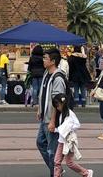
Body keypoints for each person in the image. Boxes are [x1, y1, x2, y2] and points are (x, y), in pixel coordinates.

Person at [36, 47, 66, 177]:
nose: (43, 60)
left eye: (45, 58)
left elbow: (57, 102)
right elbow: (43, 94)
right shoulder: (46, 73)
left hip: (52, 120)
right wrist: (39, 109)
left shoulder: (58, 78)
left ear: (53, 61)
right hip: (44, 117)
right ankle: (57, 171)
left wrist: (53, 121)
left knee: (51, 151)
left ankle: (55, 173)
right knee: (41, 143)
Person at [51, 93, 93, 177]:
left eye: (57, 105)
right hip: (61, 141)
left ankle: (86, 173)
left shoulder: (70, 114)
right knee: (56, 161)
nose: (57, 108)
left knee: (69, 162)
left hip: (69, 141)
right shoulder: (62, 114)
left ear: (63, 104)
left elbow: (77, 124)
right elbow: (62, 128)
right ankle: (57, 175)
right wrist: (57, 130)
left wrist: (69, 129)